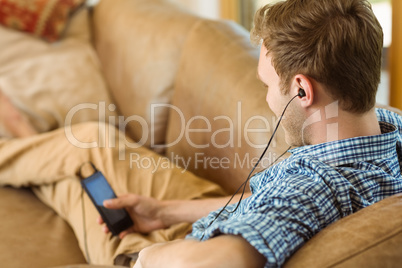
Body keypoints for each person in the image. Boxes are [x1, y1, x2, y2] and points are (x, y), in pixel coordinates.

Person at [0, 0, 401, 268]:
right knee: (91, 146)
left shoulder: (312, 187)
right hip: (213, 214)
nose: (265, 97)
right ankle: (22, 143)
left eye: (266, 83)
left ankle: (16, 143)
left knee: (79, 158)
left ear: (302, 90)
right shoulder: (392, 129)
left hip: (153, 255)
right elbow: (275, 202)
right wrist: (163, 210)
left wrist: (150, 256)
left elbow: (217, 261)